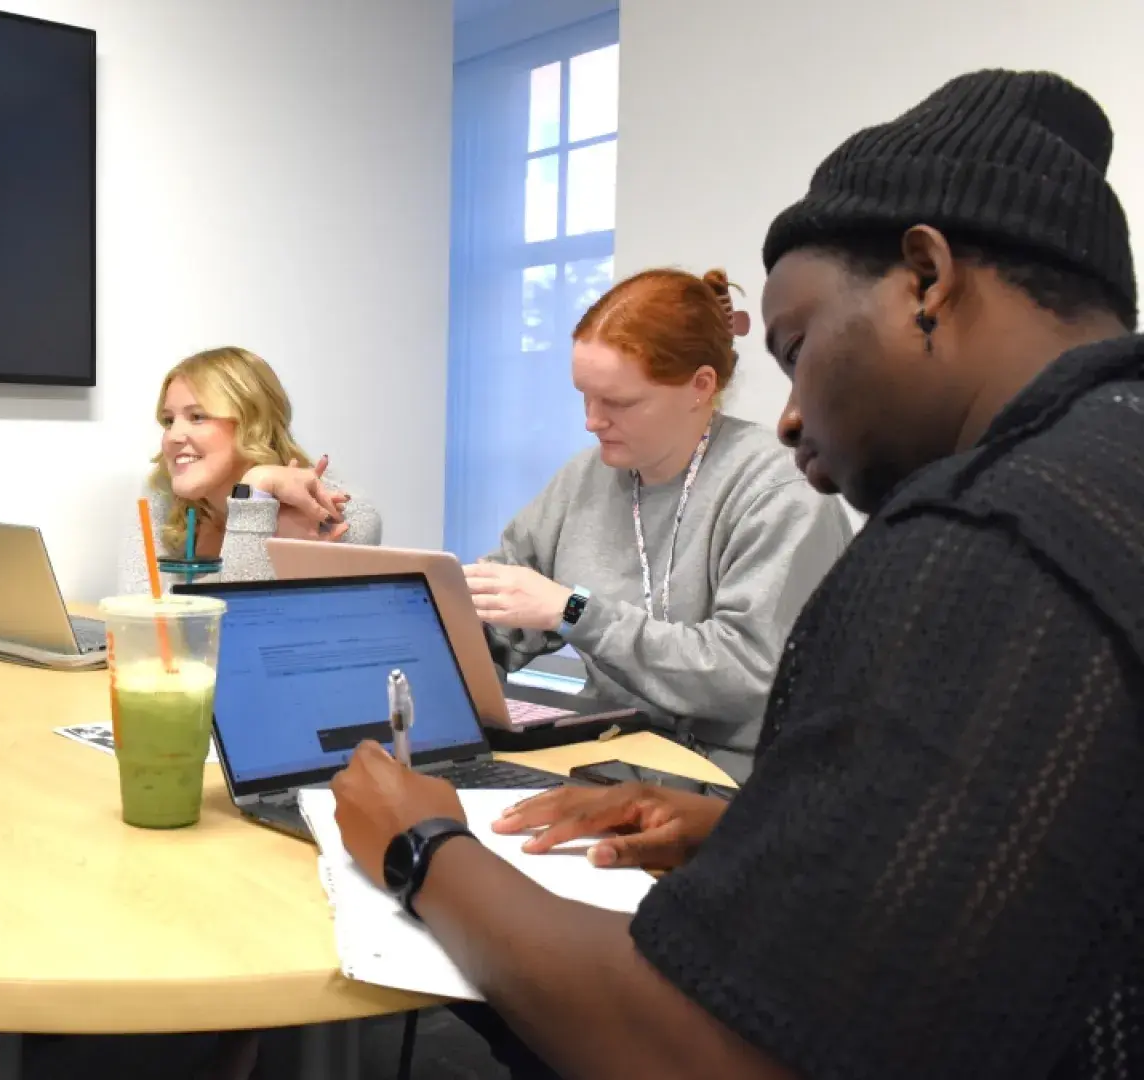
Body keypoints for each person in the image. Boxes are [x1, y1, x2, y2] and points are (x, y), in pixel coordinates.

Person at [332, 68, 1142, 1079]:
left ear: (928, 280)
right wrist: (735, 831)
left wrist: (423, 849)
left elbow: (716, 1052)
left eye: (799, 352)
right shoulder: (1104, 484)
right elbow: (991, 868)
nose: (794, 416)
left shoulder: (986, 541)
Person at [466, 268, 852, 778]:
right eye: (584, 394)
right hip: (613, 760)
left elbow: (747, 672)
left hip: (740, 785)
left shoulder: (779, 491)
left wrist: (574, 610)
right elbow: (503, 610)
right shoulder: (584, 480)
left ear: (700, 386)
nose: (591, 420)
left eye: (619, 402)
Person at [118, 346, 381, 593]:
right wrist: (256, 517)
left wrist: (257, 486)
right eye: (168, 420)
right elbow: (136, 610)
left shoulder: (344, 513)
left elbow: (244, 624)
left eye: (197, 417)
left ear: (253, 423)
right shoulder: (163, 491)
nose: (172, 436)